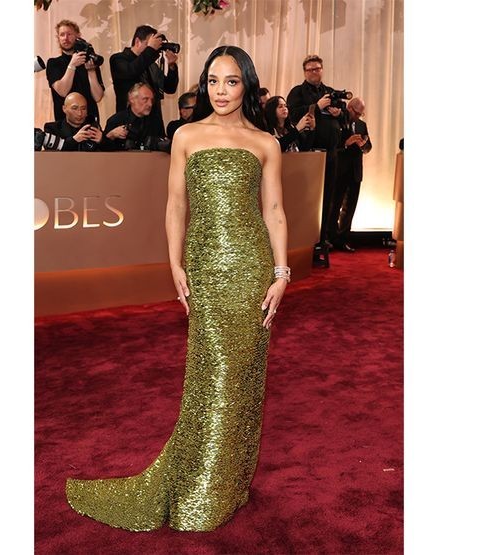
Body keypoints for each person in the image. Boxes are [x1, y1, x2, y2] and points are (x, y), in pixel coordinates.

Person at [66, 45, 289, 532]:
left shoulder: (266, 143)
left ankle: (224, 483)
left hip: (252, 267)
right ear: (203, 83)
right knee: (212, 374)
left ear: (247, 84)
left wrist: (281, 273)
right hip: (206, 267)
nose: (221, 90)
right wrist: (174, 264)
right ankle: (198, 484)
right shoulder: (186, 134)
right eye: (213, 80)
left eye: (231, 81)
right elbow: (175, 207)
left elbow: (272, 212)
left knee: (242, 375)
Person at [286, 54, 346, 249]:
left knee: (329, 195)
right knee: (310, 197)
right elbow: (293, 115)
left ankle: (323, 237)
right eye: (310, 69)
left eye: (317, 68)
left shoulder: (329, 91)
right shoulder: (297, 92)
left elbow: (343, 115)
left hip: (332, 152)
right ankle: (308, 238)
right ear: (304, 72)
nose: (314, 72)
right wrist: (317, 107)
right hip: (310, 153)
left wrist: (339, 112)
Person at [109, 25, 179, 137]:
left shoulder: (151, 64)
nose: (154, 48)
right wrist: (150, 50)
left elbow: (170, 88)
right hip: (130, 123)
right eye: (150, 44)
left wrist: (171, 66)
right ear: (137, 41)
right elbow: (131, 71)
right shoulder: (118, 59)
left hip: (153, 123)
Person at [331, 97, 372, 252]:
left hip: (355, 171)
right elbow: (333, 145)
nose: (359, 117)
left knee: (350, 207)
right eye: (357, 113)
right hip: (339, 169)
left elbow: (368, 147)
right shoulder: (338, 121)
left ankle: (343, 239)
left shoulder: (362, 125)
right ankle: (330, 238)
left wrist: (363, 145)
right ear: (349, 108)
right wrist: (346, 143)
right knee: (334, 206)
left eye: (361, 114)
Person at [45, 20, 105, 124]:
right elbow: (62, 91)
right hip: (64, 126)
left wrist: (91, 71)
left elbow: (98, 97)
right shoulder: (53, 63)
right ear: (58, 38)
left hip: (90, 122)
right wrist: (72, 65)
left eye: (69, 34)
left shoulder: (89, 61)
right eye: (62, 35)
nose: (65, 38)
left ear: (78, 36)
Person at [101, 82, 163, 151]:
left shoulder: (155, 122)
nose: (150, 104)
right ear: (132, 99)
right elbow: (103, 151)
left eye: (152, 100)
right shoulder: (116, 121)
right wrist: (111, 136)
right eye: (145, 99)